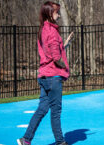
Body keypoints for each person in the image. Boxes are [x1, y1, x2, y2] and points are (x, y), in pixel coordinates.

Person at [17, 1, 73, 145]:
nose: (59, 15)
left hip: (43, 75)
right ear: (49, 13)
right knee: (56, 112)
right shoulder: (53, 31)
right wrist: (65, 69)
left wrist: (64, 44)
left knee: (42, 109)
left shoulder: (43, 29)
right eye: (57, 12)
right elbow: (55, 57)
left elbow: (50, 52)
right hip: (53, 78)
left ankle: (26, 139)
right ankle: (60, 142)